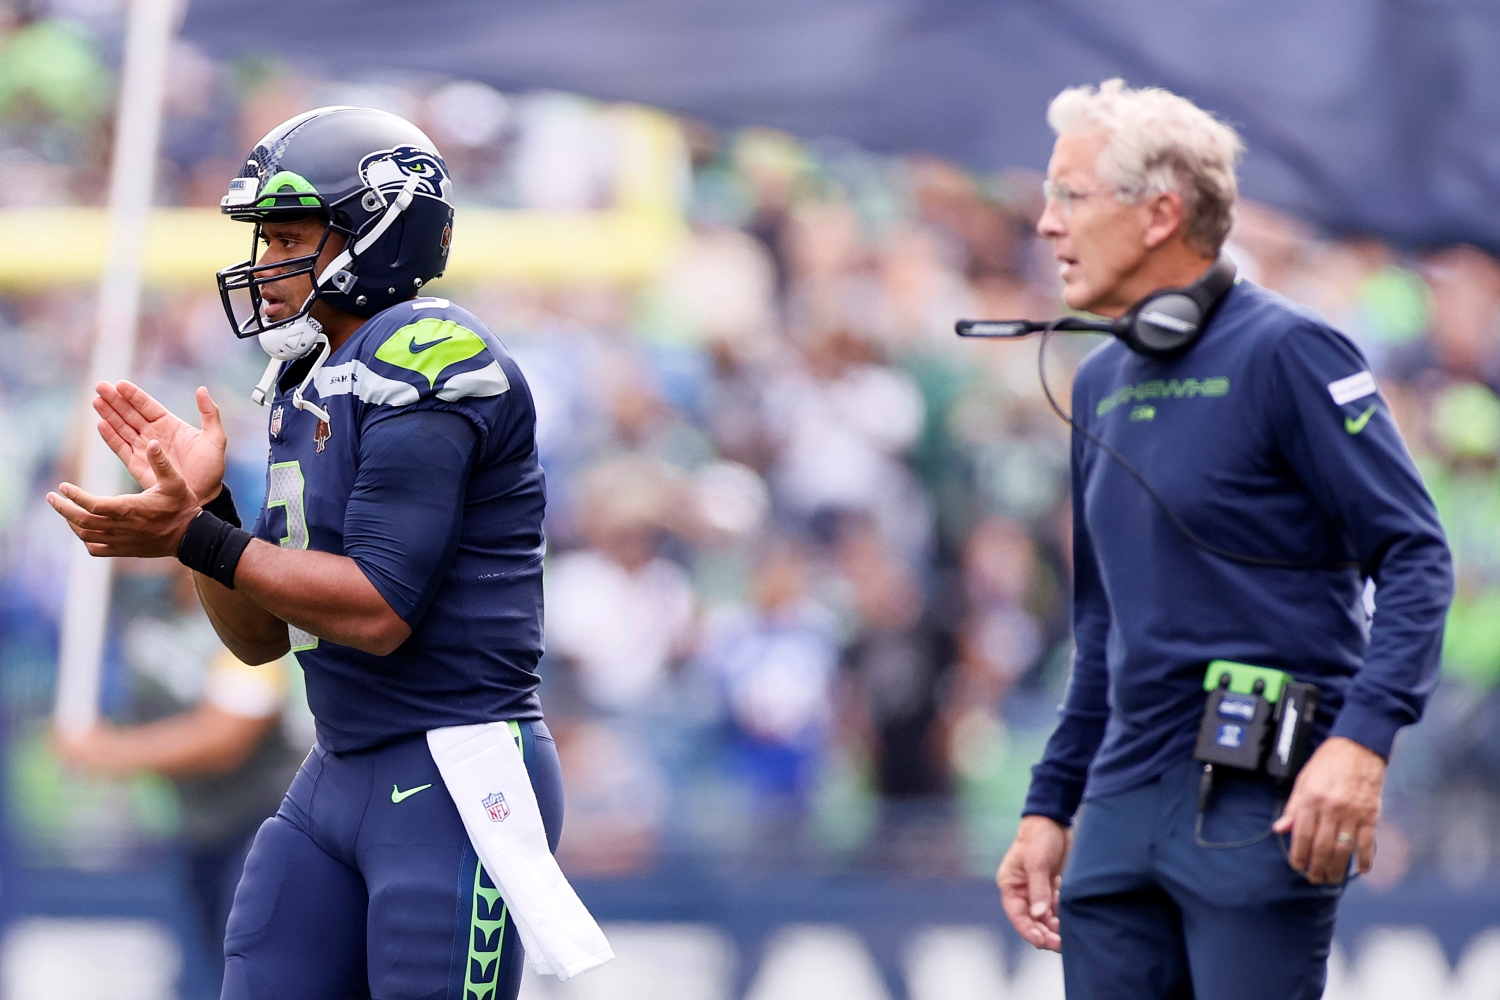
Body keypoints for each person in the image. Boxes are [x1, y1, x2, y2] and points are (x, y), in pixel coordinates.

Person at [47, 107, 568, 1000]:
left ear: (377, 231)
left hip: (452, 772)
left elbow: (376, 610)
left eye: (286, 235)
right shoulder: (309, 377)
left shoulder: (428, 355)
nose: (262, 263)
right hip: (338, 769)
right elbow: (259, 640)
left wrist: (196, 535)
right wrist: (206, 507)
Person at [991, 80, 1452, 999]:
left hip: (1256, 803)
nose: (1046, 224)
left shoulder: (1291, 351)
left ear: (1161, 212)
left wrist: (1361, 743)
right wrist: (1049, 804)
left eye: (1070, 196)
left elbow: (1416, 557)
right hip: (1119, 806)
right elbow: (1100, 629)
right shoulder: (1095, 383)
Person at [56, 564, 305, 994]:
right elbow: (84, 514)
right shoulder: (138, 599)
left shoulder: (249, 602)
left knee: (258, 975)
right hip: (201, 833)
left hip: (269, 827)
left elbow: (228, 736)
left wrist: (107, 751)